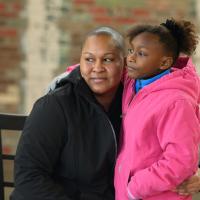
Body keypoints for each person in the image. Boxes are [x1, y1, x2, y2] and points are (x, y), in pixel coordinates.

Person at [11, 26, 125, 200]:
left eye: (108, 60)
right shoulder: (54, 106)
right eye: (89, 59)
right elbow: (28, 177)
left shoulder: (133, 104)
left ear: (124, 63)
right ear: (80, 61)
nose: (97, 67)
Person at [114, 18, 200, 200]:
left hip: (156, 195)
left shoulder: (177, 103)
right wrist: (72, 74)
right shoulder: (134, 80)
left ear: (164, 63)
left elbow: (180, 160)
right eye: (131, 50)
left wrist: (135, 188)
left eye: (141, 54)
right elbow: (106, 66)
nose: (131, 57)